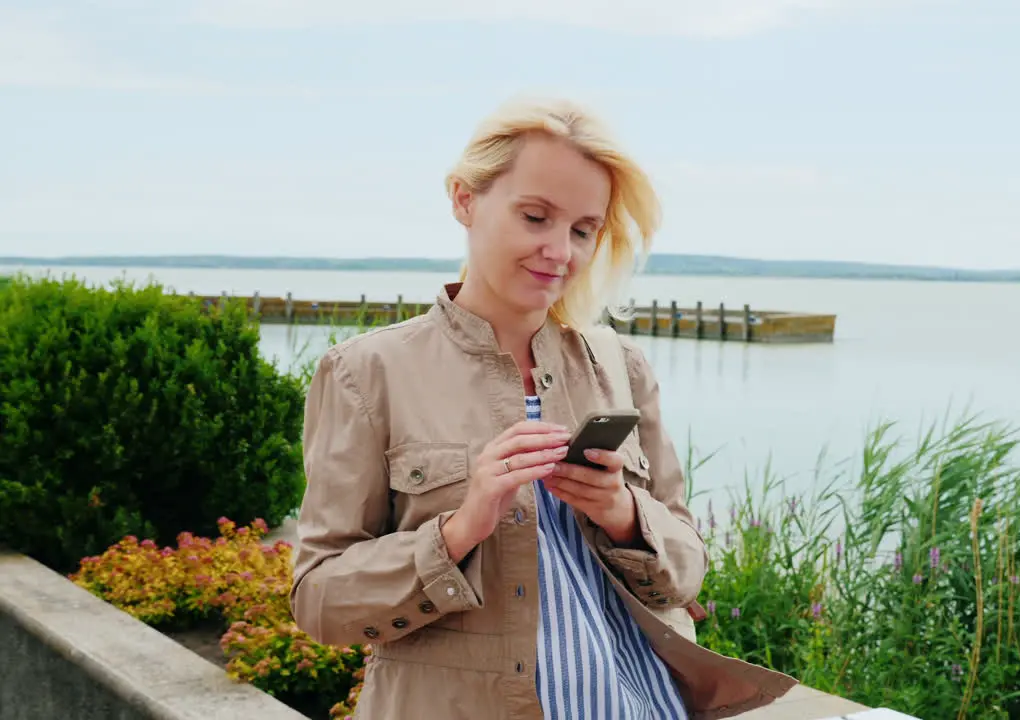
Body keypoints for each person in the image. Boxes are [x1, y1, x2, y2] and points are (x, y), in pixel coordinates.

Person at [290, 96, 796, 719]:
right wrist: (459, 530)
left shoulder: (622, 366)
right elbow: (318, 599)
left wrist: (622, 514)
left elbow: (687, 568)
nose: (561, 251)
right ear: (464, 199)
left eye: (584, 230)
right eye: (535, 217)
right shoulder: (366, 374)